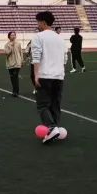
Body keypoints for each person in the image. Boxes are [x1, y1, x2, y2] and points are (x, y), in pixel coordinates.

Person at [31, 11, 66, 144]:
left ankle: (51, 128)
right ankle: (55, 128)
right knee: (55, 104)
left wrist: (36, 75)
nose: (37, 24)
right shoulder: (60, 38)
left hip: (45, 75)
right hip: (59, 76)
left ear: (43, 22)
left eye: (38, 22)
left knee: (42, 105)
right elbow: (65, 58)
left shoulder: (38, 37)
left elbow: (36, 57)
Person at [3, 31, 23, 96]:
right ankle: (14, 90)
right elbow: (7, 53)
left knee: (15, 76)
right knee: (12, 77)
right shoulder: (6, 45)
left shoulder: (18, 44)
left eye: (14, 35)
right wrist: (11, 47)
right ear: (9, 37)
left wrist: (22, 61)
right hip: (10, 63)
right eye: (12, 35)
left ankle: (16, 91)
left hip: (17, 63)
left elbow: (21, 52)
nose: (13, 36)